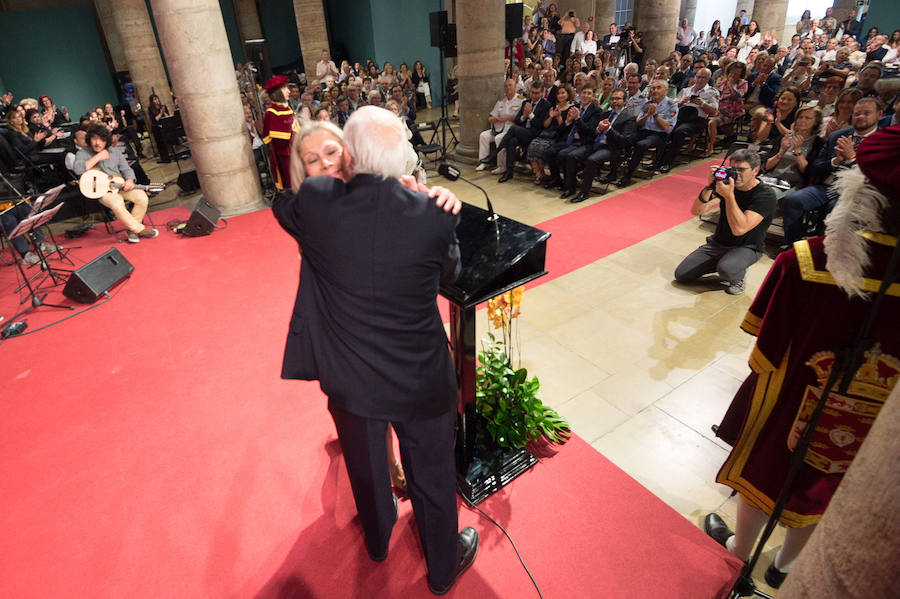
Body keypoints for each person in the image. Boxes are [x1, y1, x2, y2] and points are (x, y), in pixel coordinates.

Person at [272, 107, 478, 595]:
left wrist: (323, 177)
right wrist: (434, 200)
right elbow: (451, 275)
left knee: (367, 470)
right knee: (431, 474)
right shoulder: (433, 210)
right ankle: (443, 569)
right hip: (421, 377)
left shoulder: (317, 204)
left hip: (351, 378)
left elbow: (284, 206)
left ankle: (379, 542)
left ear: (349, 154)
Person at [704, 125, 900, 590]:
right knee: (831, 479)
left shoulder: (806, 262)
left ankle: (740, 554)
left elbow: (765, 349)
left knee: (768, 461)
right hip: (877, 420)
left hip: (796, 402)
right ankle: (787, 566)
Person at [781, 97, 882, 245]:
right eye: (857, 113)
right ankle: (793, 246)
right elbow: (815, 168)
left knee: (835, 209)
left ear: (879, 115)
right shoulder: (837, 136)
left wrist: (851, 158)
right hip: (825, 187)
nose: (860, 117)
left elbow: (878, 176)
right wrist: (836, 161)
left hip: (855, 192)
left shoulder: (883, 141)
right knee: (793, 200)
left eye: (866, 113)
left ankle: (825, 252)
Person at [674, 148, 777, 295]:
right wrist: (710, 186)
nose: (736, 174)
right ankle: (727, 263)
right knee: (682, 275)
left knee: (727, 269)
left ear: (755, 170)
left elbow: (740, 229)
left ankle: (737, 274)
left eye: (741, 169)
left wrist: (729, 197)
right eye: (732, 169)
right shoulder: (727, 185)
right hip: (718, 243)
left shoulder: (765, 195)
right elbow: (697, 211)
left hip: (748, 247)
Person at [72, 124, 158, 243]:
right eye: (94, 139)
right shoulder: (83, 153)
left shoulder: (115, 152)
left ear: (106, 140)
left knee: (142, 197)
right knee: (117, 204)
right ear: (89, 139)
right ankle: (139, 229)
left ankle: (132, 230)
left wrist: (130, 180)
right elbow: (78, 169)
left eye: (101, 139)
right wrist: (98, 157)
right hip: (103, 192)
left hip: (120, 185)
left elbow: (127, 169)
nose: (97, 143)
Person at [568, 88, 636, 202]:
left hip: (612, 148)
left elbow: (624, 141)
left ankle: (584, 192)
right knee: (571, 156)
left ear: (624, 101)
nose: (614, 101)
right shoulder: (606, 113)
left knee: (592, 160)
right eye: (613, 98)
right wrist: (598, 129)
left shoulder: (629, 118)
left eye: (618, 99)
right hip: (596, 144)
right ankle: (570, 188)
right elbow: (593, 132)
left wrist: (609, 129)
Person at [616, 79, 678, 187]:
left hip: (659, 134)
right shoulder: (648, 103)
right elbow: (638, 123)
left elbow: (667, 128)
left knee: (641, 145)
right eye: (653, 88)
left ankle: (628, 176)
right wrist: (647, 115)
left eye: (659, 88)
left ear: (666, 90)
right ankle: (614, 171)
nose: (655, 90)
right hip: (644, 131)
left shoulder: (671, 105)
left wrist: (655, 115)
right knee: (625, 139)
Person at [660, 68, 719, 173]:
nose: (700, 80)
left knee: (679, 131)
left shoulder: (711, 92)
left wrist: (702, 104)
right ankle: (657, 160)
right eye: (698, 77)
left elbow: (714, 112)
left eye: (703, 78)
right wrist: (681, 102)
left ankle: (668, 162)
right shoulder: (686, 90)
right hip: (681, 116)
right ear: (695, 77)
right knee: (666, 128)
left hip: (697, 120)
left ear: (708, 79)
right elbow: (673, 106)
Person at [497, 82, 552, 184]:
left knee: (513, 129)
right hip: (523, 132)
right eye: (532, 93)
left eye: (537, 93)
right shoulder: (526, 102)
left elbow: (541, 125)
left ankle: (497, 151)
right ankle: (509, 172)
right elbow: (518, 120)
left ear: (542, 93)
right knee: (512, 141)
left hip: (534, 134)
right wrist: (524, 116)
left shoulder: (546, 105)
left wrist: (530, 114)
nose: (534, 96)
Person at [475, 79, 523, 173]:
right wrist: (497, 119)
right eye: (506, 86)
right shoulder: (501, 101)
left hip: (511, 130)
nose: (508, 88)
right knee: (483, 135)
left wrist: (508, 117)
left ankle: (502, 166)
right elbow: (491, 117)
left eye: (510, 85)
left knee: (498, 138)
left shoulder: (520, 100)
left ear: (515, 87)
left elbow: (520, 119)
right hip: (498, 128)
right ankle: (484, 162)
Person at [261, 75, 297, 191]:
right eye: (285, 88)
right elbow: (279, 141)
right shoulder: (272, 112)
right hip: (286, 155)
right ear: (278, 92)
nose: (289, 91)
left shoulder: (286, 108)